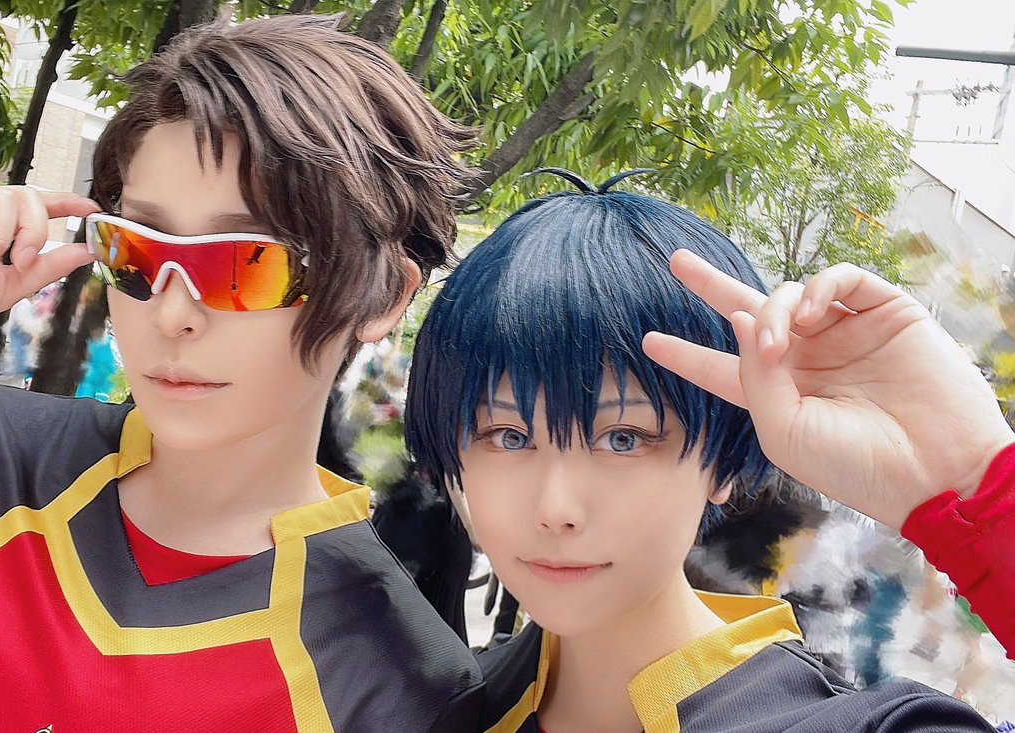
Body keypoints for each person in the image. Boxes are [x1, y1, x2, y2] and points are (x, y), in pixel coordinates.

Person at [0, 13, 481, 730]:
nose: (171, 313)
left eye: (248, 263)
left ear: (384, 297)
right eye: (136, 249)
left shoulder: (397, 687)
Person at [405, 170, 1002, 731]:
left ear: (721, 464)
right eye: (508, 437)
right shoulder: (431, 708)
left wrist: (979, 478)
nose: (555, 508)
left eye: (622, 439)